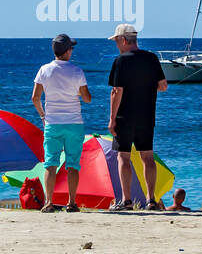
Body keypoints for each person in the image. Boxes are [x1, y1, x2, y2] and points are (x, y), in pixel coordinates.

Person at [106, 24, 167, 210]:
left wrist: (112, 119)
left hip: (125, 116)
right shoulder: (152, 58)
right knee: (147, 157)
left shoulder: (120, 61)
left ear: (123, 40)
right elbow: (163, 85)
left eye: (116, 41)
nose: (116, 45)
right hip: (147, 115)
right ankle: (151, 200)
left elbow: (117, 91)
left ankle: (126, 200)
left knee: (123, 157)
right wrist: (147, 87)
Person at [32, 33, 91, 213]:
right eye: (71, 48)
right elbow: (87, 99)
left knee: (50, 163)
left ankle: (49, 202)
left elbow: (35, 98)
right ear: (67, 51)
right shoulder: (77, 71)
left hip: (52, 122)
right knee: (73, 163)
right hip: (74, 123)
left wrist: (43, 116)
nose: (72, 51)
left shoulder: (44, 70)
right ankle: (71, 202)